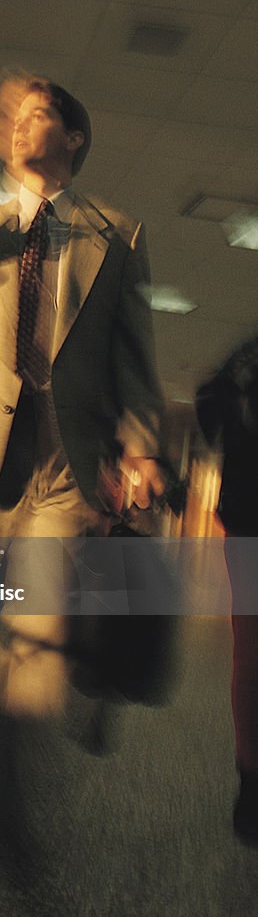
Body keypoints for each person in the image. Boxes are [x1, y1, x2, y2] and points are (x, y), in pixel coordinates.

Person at [0, 76, 164, 856]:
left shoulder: (121, 236)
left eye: (37, 114)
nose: (16, 125)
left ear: (73, 137)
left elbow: (135, 360)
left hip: (62, 472)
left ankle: (11, 790)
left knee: (37, 644)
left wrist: (141, 446)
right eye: (8, 116)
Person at [196, 334, 258, 842]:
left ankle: (252, 783)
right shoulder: (246, 358)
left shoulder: (245, 356)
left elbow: (206, 407)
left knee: (251, 660)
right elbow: (207, 406)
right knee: (252, 661)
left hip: (245, 518)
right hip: (247, 522)